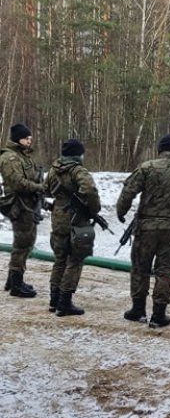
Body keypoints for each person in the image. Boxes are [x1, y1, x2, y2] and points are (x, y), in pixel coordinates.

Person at [116, 134, 170, 328]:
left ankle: (138, 310)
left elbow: (128, 191)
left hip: (146, 228)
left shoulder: (147, 168)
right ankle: (159, 315)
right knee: (165, 271)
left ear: (159, 149)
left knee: (140, 267)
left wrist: (121, 211)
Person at [43, 139, 101, 316]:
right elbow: (90, 190)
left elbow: (45, 191)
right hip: (76, 220)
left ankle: (54, 300)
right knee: (75, 260)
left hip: (58, 218)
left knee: (60, 259)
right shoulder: (78, 170)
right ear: (78, 154)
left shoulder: (53, 170)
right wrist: (92, 208)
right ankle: (64, 302)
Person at [0, 123, 44, 298]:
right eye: (27, 138)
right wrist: (38, 187)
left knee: (26, 242)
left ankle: (13, 280)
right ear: (18, 138)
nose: (29, 141)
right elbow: (17, 182)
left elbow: (31, 177)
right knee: (22, 243)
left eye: (30, 138)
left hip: (28, 205)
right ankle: (16, 284)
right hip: (18, 205)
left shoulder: (24, 157)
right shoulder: (10, 158)